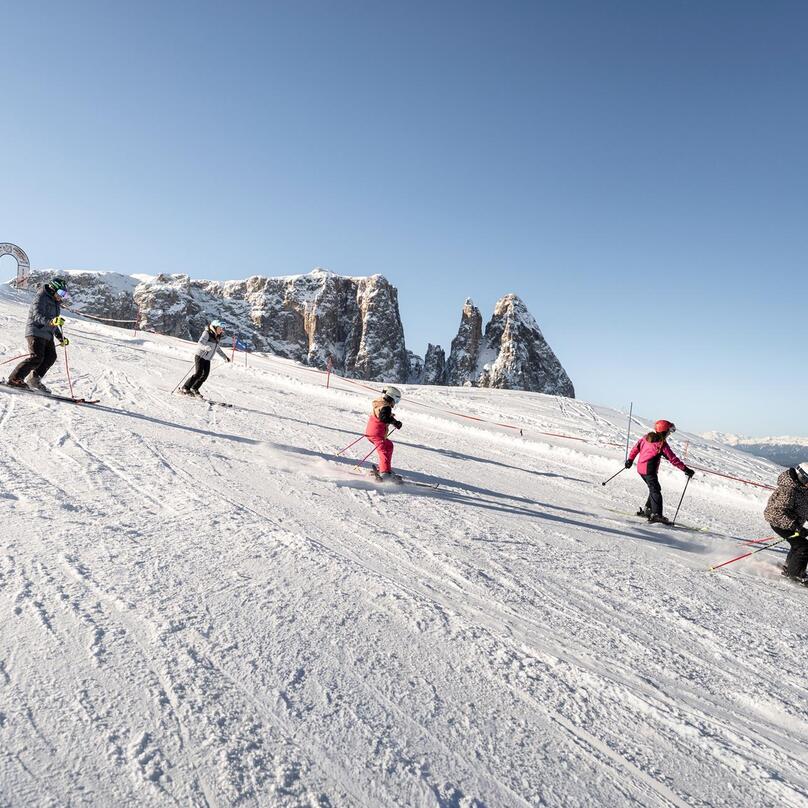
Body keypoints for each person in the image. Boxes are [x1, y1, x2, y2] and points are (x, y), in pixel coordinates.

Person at [625, 419, 695, 524]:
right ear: (664, 431)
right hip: (649, 471)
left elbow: (635, 448)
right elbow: (673, 459)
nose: (669, 434)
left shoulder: (645, 438)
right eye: (669, 432)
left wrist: (630, 460)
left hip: (641, 469)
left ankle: (648, 510)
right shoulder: (661, 444)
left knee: (654, 488)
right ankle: (656, 515)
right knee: (655, 490)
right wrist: (686, 469)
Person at [7, 277, 70, 393]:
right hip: (35, 331)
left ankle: (35, 379)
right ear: (53, 288)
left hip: (47, 334)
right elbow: (37, 315)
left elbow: (54, 322)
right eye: (61, 293)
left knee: (51, 357)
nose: (62, 296)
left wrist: (60, 337)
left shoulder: (56, 304)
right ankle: (15, 379)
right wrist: (51, 322)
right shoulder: (41, 297)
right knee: (37, 357)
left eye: (64, 294)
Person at [763, 463, 808, 585]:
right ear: (802, 477)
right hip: (780, 523)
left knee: (798, 543)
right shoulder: (788, 490)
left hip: (792, 523)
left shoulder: (802, 488)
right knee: (804, 546)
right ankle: (796, 574)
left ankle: (790, 568)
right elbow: (776, 513)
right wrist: (797, 527)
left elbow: (804, 508)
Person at [181, 320, 230, 396]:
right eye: (220, 328)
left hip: (207, 359)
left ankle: (194, 388)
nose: (222, 330)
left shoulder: (217, 336)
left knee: (205, 375)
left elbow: (217, 348)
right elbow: (200, 343)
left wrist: (225, 357)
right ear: (214, 327)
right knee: (198, 373)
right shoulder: (207, 333)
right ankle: (185, 387)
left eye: (222, 328)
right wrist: (205, 347)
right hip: (200, 356)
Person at [365, 386, 403, 483]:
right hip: (377, 433)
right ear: (392, 397)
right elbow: (384, 418)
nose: (395, 403)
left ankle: (385, 468)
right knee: (384, 450)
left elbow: (384, 416)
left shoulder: (381, 403)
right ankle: (385, 472)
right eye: (396, 400)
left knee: (389, 445)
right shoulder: (386, 407)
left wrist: (394, 421)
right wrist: (395, 422)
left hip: (372, 431)